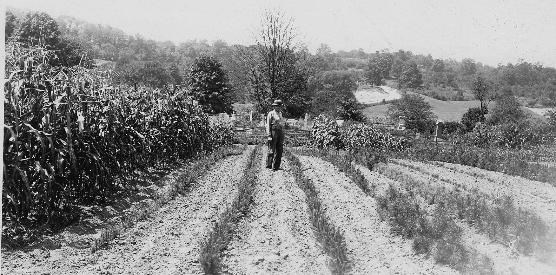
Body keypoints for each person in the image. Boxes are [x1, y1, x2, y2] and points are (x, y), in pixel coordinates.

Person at [266, 99, 285, 171]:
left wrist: (283, 133)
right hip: (273, 132)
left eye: (279, 106)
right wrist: (269, 135)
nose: (278, 108)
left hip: (280, 132)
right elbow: (268, 125)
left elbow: (282, 124)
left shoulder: (280, 114)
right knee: (271, 149)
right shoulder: (271, 113)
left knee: (279, 149)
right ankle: (269, 165)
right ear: (274, 107)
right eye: (277, 106)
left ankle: (276, 166)